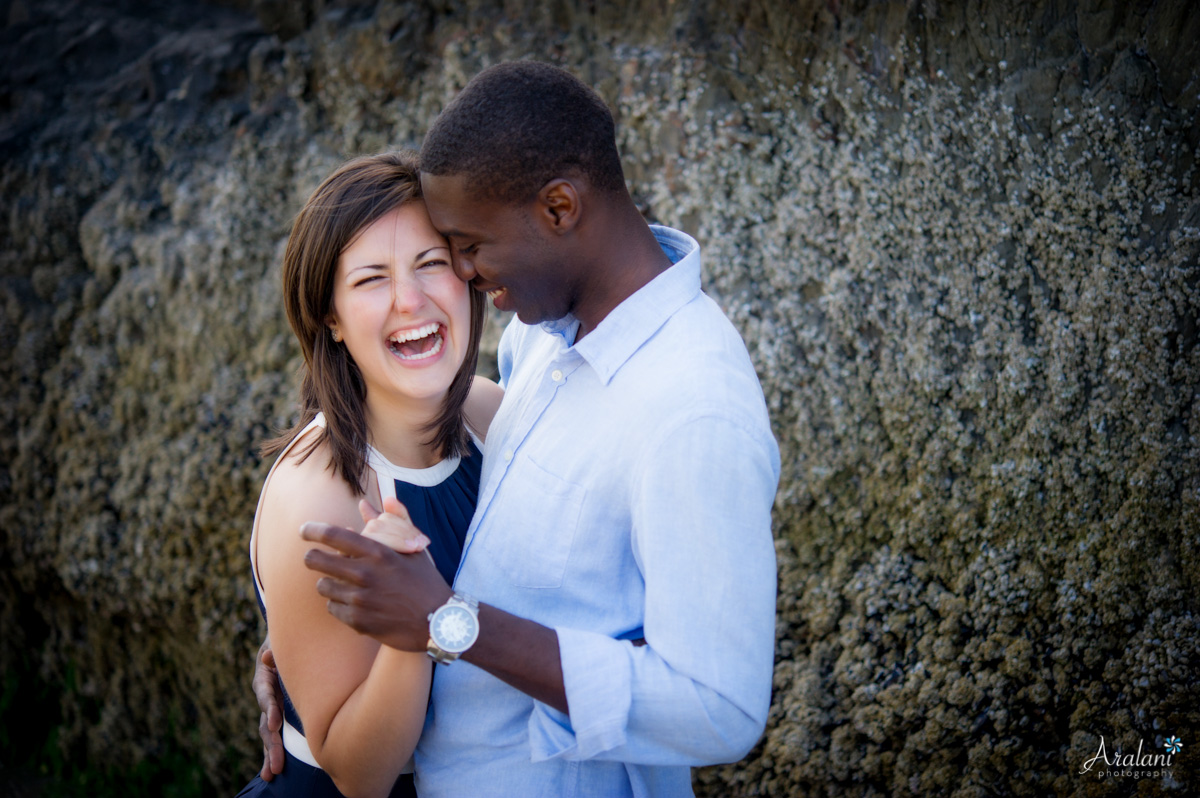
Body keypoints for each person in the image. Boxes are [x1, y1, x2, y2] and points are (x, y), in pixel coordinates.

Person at [257, 61, 780, 797]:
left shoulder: (691, 410)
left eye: (460, 248)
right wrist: (306, 640)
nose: (464, 277)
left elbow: (720, 709)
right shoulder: (540, 341)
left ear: (560, 209)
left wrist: (443, 622)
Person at [239, 151, 501, 798]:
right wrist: (409, 627)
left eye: (431, 264)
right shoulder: (319, 495)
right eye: (370, 279)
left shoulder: (494, 418)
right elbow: (362, 775)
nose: (410, 301)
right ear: (329, 317)